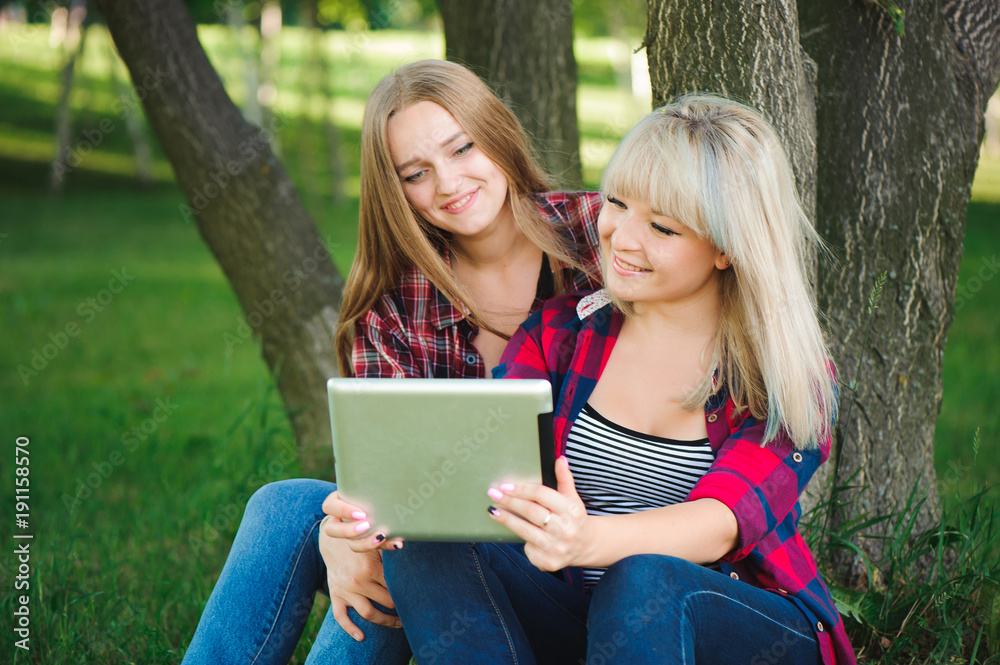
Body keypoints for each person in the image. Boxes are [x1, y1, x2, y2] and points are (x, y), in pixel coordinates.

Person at [380, 95, 856, 665]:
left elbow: (725, 521)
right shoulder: (560, 332)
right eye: (616, 203)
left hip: (739, 627)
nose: (622, 238)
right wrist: (385, 511)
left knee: (641, 580)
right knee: (424, 538)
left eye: (661, 226)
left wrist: (588, 542)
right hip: (586, 619)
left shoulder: (785, 375)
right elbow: (481, 467)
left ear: (727, 249)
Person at [179, 59, 603, 664]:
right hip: (446, 559)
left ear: (498, 132)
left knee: (406, 543)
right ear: (394, 189)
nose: (448, 183)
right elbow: (387, 487)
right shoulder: (396, 298)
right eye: (416, 173)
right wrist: (346, 539)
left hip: (576, 568)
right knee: (291, 510)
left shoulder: (602, 237)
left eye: (462, 148)